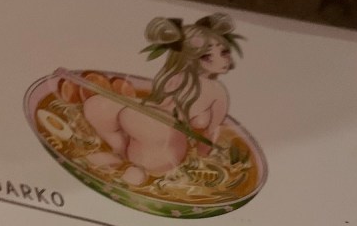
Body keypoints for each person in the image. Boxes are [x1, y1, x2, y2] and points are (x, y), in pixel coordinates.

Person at [83, 13, 242, 185]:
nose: (222, 60)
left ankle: (136, 169)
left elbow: (211, 133)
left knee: (138, 122)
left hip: (167, 148)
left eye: (224, 52)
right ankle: (119, 151)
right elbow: (156, 104)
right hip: (143, 127)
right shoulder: (176, 77)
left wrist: (200, 162)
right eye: (207, 56)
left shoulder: (217, 92)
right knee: (96, 105)